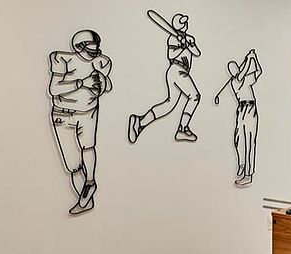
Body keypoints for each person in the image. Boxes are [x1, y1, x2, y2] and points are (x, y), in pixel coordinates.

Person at [48, 30, 113, 215]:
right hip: (62, 113)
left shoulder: (101, 62)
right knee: (72, 165)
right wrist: (81, 83)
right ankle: (85, 201)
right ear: (79, 47)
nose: (93, 54)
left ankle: (90, 181)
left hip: (87, 111)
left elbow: (107, 86)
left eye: (95, 50)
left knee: (88, 147)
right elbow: (54, 88)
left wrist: (102, 80)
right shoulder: (62, 59)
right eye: (90, 50)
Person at [128, 13, 201, 143]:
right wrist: (182, 46)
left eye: (185, 22)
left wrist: (189, 44)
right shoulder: (173, 38)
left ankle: (140, 122)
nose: (185, 24)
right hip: (177, 70)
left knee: (169, 105)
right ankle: (182, 129)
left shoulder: (189, 38)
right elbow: (171, 55)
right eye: (182, 23)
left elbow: (197, 52)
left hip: (182, 71)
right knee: (194, 96)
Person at [224, 49, 261, 186]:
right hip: (241, 109)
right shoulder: (235, 82)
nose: (234, 70)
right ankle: (241, 164)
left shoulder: (246, 79)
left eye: (235, 67)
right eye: (232, 69)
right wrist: (249, 59)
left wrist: (254, 58)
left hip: (251, 109)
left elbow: (258, 71)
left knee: (250, 141)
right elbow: (241, 75)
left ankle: (248, 174)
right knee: (238, 139)